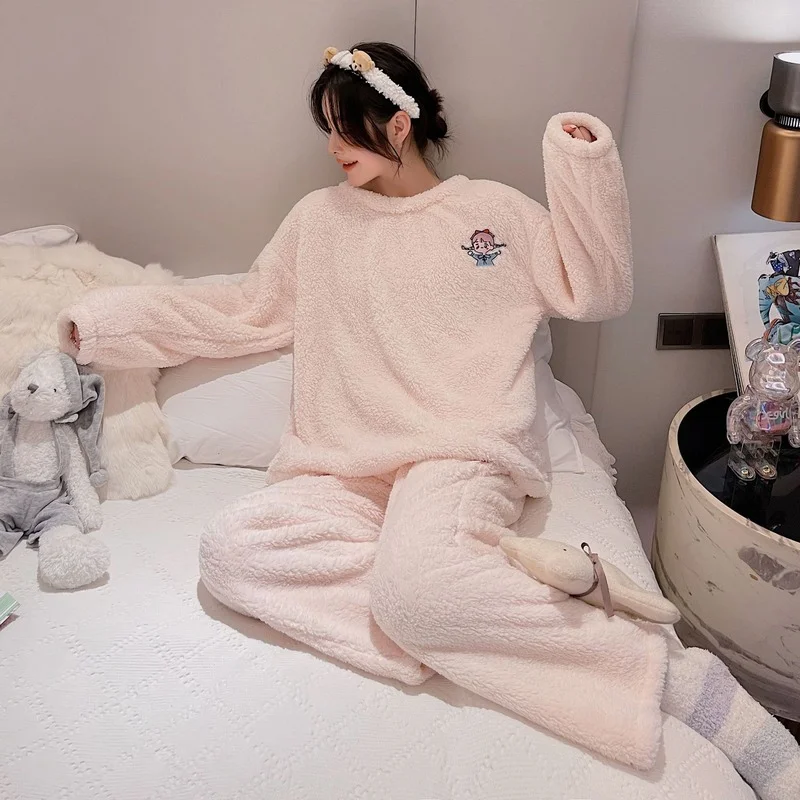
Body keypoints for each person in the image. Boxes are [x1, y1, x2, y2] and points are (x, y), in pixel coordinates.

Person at [60, 41, 727, 773]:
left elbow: (597, 292)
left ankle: (672, 680)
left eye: (344, 127)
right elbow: (244, 310)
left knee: (417, 594)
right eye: (326, 129)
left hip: (458, 452)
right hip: (343, 468)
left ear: (399, 124)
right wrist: (106, 326)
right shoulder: (318, 221)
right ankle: (466, 606)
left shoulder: (492, 213)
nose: (332, 146)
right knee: (232, 553)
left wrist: (581, 164)